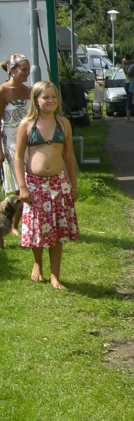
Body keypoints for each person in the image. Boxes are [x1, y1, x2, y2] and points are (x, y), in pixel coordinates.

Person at [14, 81, 79, 289]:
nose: (50, 100)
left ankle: (55, 275)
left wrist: (74, 185)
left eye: (54, 97)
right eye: (46, 97)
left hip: (58, 182)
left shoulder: (63, 123)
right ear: (36, 100)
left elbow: (69, 155)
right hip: (35, 183)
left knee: (58, 229)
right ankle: (37, 264)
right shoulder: (27, 124)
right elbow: (18, 157)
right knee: (39, 227)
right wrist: (22, 186)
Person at [0, 54, 32, 197]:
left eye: (28, 69)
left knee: (32, 175)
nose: (27, 73)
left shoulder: (30, 90)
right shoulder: (3, 91)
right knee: (19, 179)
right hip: (11, 137)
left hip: (30, 136)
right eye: (24, 69)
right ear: (12, 70)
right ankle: (20, 207)